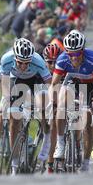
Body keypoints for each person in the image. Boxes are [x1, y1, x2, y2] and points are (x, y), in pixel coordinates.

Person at [49, 30, 93, 172]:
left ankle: (86, 162)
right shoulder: (62, 59)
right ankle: (61, 143)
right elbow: (54, 84)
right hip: (72, 83)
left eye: (77, 54)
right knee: (61, 105)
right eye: (70, 54)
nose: (74, 58)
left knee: (87, 123)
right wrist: (52, 102)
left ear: (83, 51)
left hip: (90, 86)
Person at [0, 38, 52, 175]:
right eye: (20, 63)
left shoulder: (38, 61)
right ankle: (14, 165)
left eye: (27, 63)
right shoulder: (6, 59)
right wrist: (6, 99)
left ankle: (47, 133)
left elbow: (50, 83)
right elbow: (5, 83)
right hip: (16, 80)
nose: (23, 66)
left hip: (36, 79)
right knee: (14, 120)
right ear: (14, 57)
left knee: (43, 105)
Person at [39, 43, 62, 173]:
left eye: (56, 61)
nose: (53, 65)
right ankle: (45, 132)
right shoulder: (41, 70)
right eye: (50, 62)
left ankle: (51, 162)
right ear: (44, 61)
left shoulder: (63, 69)